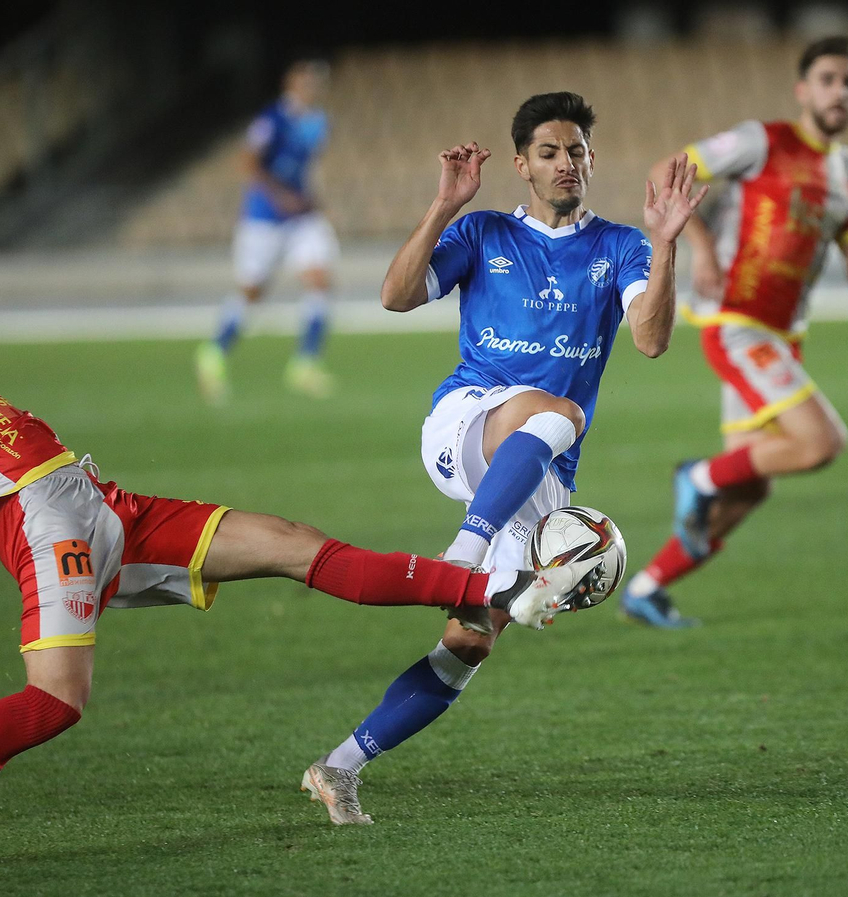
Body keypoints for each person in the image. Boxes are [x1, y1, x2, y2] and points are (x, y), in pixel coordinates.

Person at [0, 66, 599, 880]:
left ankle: (478, 588)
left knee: (290, 544)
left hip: (93, 500)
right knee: (54, 701)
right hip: (39, 517)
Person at [297, 91, 705, 824]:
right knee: (562, 411)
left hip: (537, 468)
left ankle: (338, 766)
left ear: (591, 159)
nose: (566, 163)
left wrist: (667, 240)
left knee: (467, 643)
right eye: (549, 152)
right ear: (521, 165)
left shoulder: (619, 247)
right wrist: (444, 205)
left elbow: (650, 339)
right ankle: (466, 545)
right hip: (465, 426)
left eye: (576, 150)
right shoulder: (484, 233)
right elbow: (395, 296)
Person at [621, 36, 848, 628]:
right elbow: (664, 171)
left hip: (780, 336)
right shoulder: (763, 140)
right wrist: (696, 246)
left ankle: (646, 588)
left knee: (750, 488)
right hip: (736, 322)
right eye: (828, 78)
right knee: (822, 443)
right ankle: (694, 476)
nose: (839, 91)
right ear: (804, 89)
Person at [196, 60, 340, 402]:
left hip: (300, 217)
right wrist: (280, 195)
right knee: (252, 291)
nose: (312, 86)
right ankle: (214, 351)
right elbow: (248, 161)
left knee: (319, 279)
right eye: (305, 80)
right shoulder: (271, 119)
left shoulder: (318, 122)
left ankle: (304, 364)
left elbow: (308, 165)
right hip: (264, 218)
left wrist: (314, 199)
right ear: (290, 83)